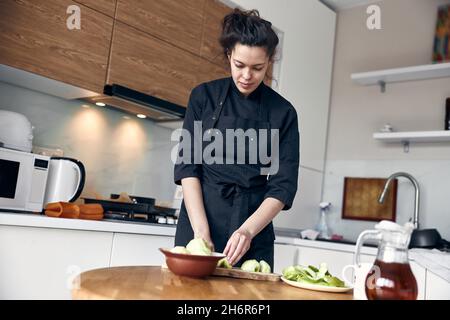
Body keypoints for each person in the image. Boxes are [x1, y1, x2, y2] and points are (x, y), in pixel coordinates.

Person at [173, 8, 299, 270]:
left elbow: (283, 186)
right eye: (239, 65)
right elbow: (188, 166)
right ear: (229, 54)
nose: (246, 76)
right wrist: (200, 232)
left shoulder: (283, 112)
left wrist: (247, 232)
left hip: (253, 227)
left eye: (258, 68)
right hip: (199, 219)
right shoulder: (203, 97)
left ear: (269, 62)